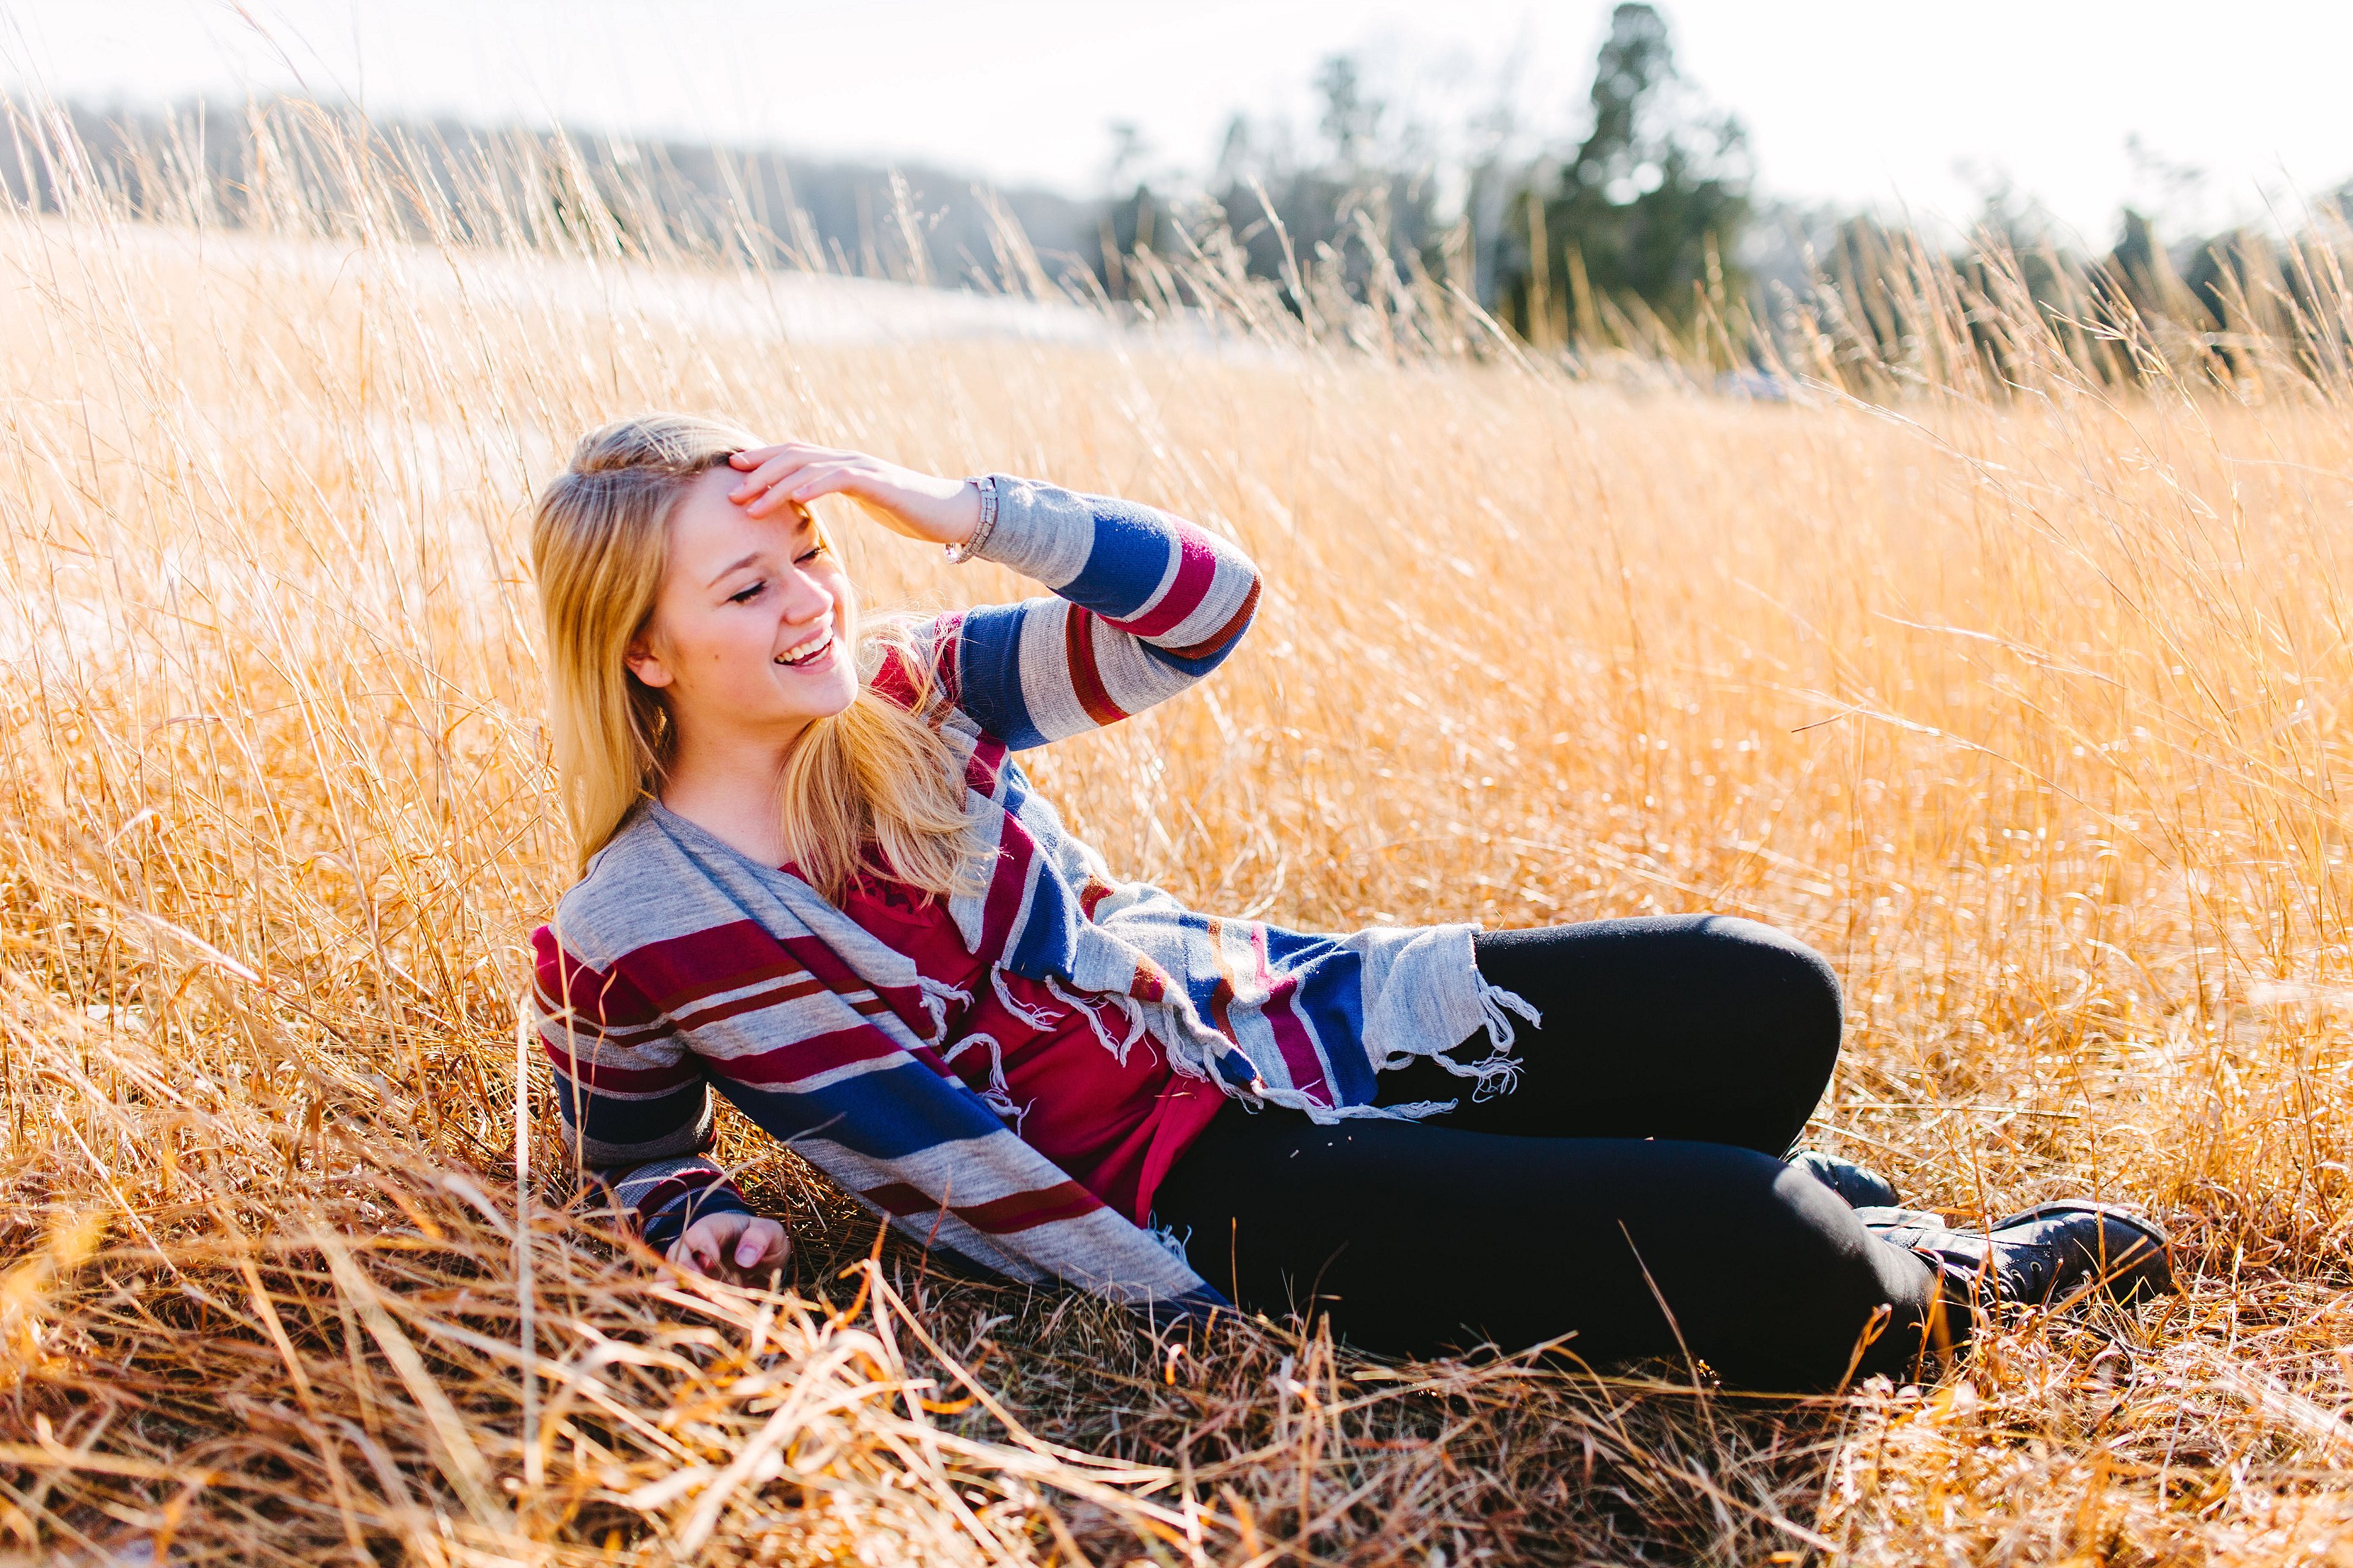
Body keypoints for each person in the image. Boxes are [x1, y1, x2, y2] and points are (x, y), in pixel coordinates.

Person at [526, 413, 2173, 1393]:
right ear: (642, 649)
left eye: (812, 546)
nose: (813, 595)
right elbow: (638, 1161)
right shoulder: (629, 930)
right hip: (1190, 1199)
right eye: (752, 584)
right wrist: (696, 1224)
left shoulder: (919, 696)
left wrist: (954, 510)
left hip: (1275, 1031)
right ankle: (1937, 1270)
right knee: (1778, 1263)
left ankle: (1699, 1193)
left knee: (1760, 996)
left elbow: (1205, 613)